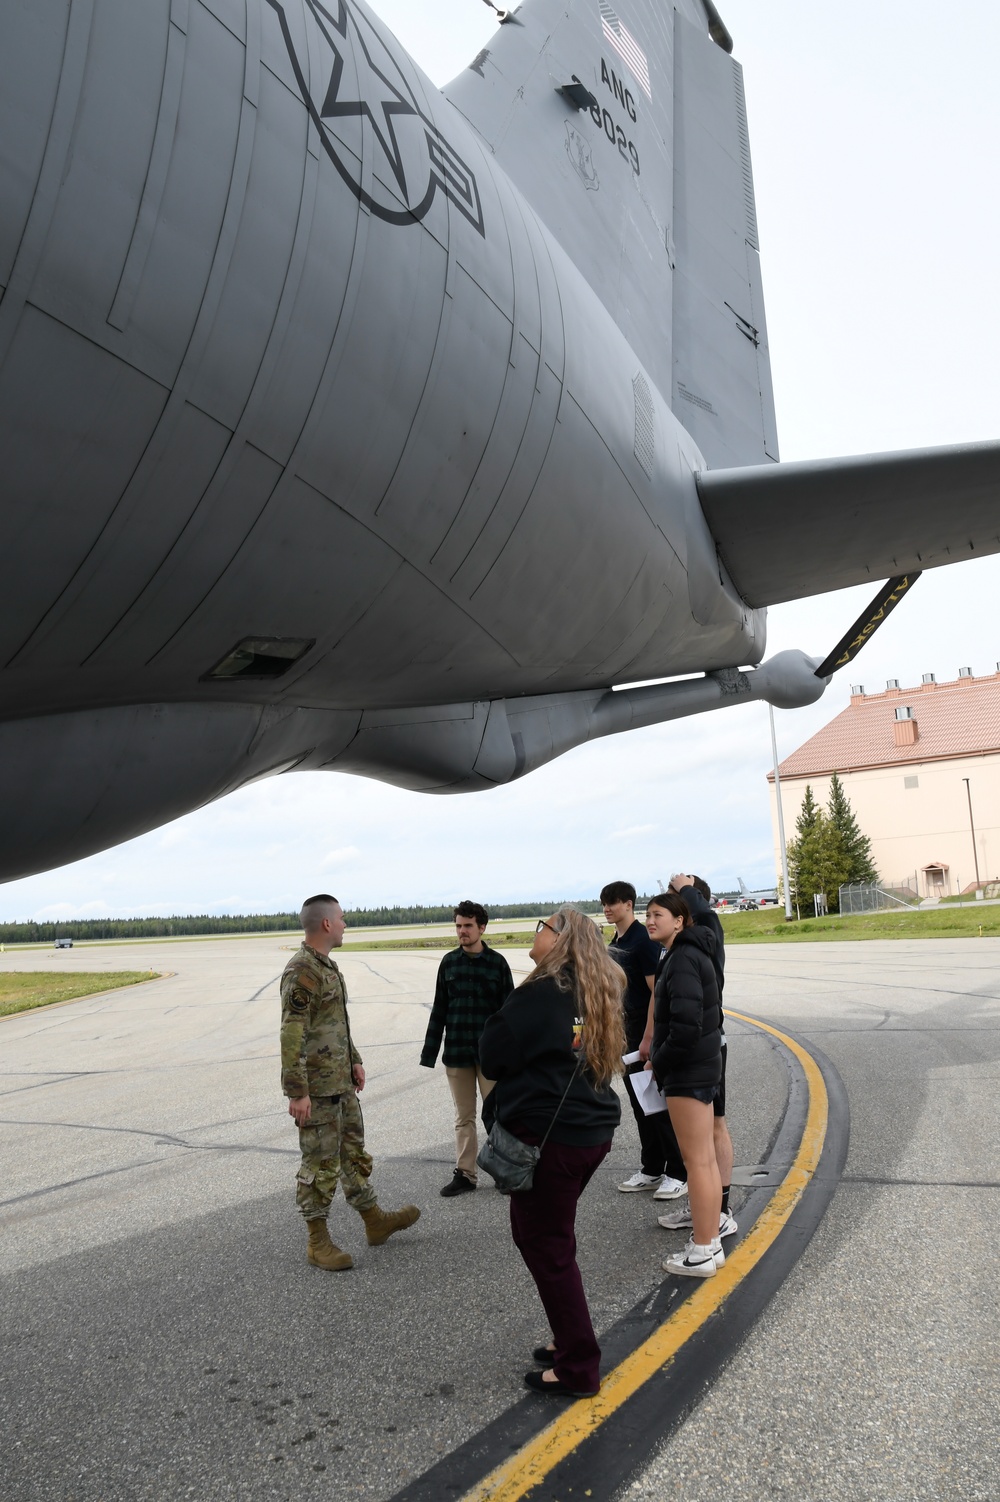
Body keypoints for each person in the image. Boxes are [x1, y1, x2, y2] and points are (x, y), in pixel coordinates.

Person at [479, 908, 625, 1397]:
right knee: (554, 1242)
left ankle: (578, 1366)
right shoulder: (594, 989)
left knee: (546, 1246)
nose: (534, 933)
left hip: (552, 1141)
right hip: (589, 1133)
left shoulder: (540, 994)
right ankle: (570, 1338)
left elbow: (492, 1056)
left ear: (557, 939)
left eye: (541, 926)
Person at [280, 893, 420, 1270]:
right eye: (341, 918)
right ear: (326, 924)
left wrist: (354, 1060)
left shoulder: (327, 966)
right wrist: (298, 1092)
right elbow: (292, 1033)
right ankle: (317, 1242)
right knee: (320, 1164)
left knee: (353, 1155)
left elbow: (335, 1024)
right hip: (318, 1091)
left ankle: (374, 1221)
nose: (345, 924)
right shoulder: (302, 971)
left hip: (340, 1083)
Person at [644, 893, 723, 1277]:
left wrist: (658, 1062)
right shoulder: (684, 954)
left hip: (687, 1072)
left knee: (697, 1162)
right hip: (699, 1068)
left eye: (657, 915)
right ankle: (710, 1244)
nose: (649, 920)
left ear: (679, 921)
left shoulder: (683, 958)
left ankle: (703, 1250)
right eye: (647, 915)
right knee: (702, 1160)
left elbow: (685, 1026)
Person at [656, 875, 737, 1242]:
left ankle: (716, 1214)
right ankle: (710, 1211)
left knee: (707, 1141)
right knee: (705, 1141)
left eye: (673, 903)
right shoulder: (690, 943)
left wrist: (686, 886)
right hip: (703, 1046)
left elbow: (686, 1023)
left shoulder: (702, 937)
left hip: (700, 1049)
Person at [420, 900, 514, 1196]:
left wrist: (513, 1054)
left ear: (482, 928)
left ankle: (506, 1171)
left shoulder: (497, 963)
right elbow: (440, 1009)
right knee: (464, 1117)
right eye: (459, 925)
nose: (462, 931)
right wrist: (429, 1053)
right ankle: (465, 1174)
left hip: (491, 1055)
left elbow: (509, 1011)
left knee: (499, 1115)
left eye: (468, 926)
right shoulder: (448, 963)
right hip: (458, 1053)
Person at [601, 880, 686, 1201]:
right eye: (604, 903)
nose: (608, 908)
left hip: (642, 1031)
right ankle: (652, 1167)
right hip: (624, 1031)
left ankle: (678, 1172)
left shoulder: (643, 940)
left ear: (628, 904)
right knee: (641, 1105)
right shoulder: (618, 939)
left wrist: (649, 1038)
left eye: (614, 902)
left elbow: (656, 993)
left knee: (656, 1105)